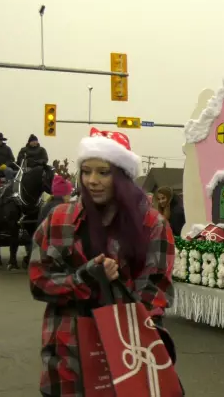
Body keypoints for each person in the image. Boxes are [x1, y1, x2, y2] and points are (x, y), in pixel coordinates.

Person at [28, 127, 175, 396]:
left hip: (126, 361)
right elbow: (39, 281)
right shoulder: (59, 220)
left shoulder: (152, 225)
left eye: (103, 172)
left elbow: (154, 295)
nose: (92, 180)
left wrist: (115, 292)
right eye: (86, 171)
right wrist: (85, 278)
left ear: (122, 176)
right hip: (66, 358)